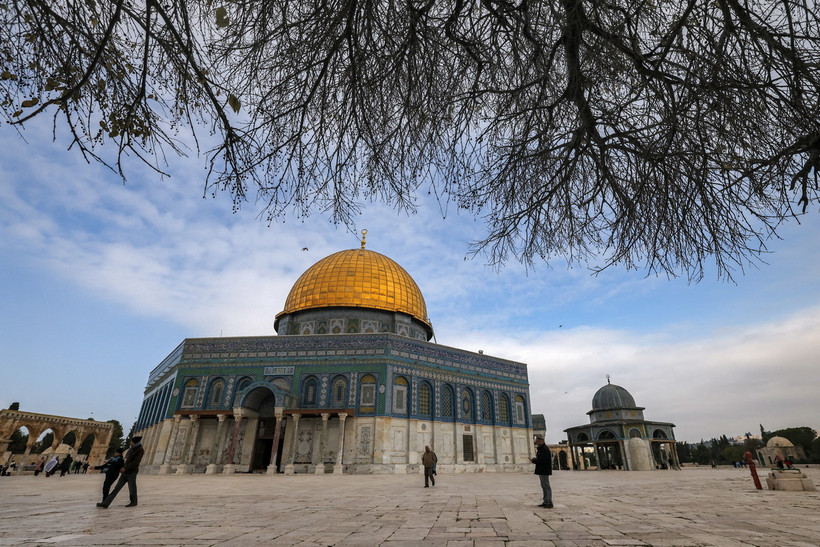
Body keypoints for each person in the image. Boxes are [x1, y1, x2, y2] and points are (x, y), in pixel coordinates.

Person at [97, 437, 144, 508]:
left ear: (134, 442)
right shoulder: (132, 449)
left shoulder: (140, 450)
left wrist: (125, 467)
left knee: (132, 488)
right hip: (125, 472)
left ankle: (134, 502)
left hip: (132, 472)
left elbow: (136, 462)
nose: (130, 442)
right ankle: (106, 503)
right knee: (117, 488)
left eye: (131, 441)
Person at [531, 435, 553, 508]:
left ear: (541, 441)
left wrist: (534, 460)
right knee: (544, 486)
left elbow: (543, 460)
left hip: (544, 470)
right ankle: (545, 501)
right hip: (541, 470)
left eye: (537, 441)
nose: (536, 443)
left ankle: (549, 501)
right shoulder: (541, 449)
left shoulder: (544, 449)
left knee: (546, 486)